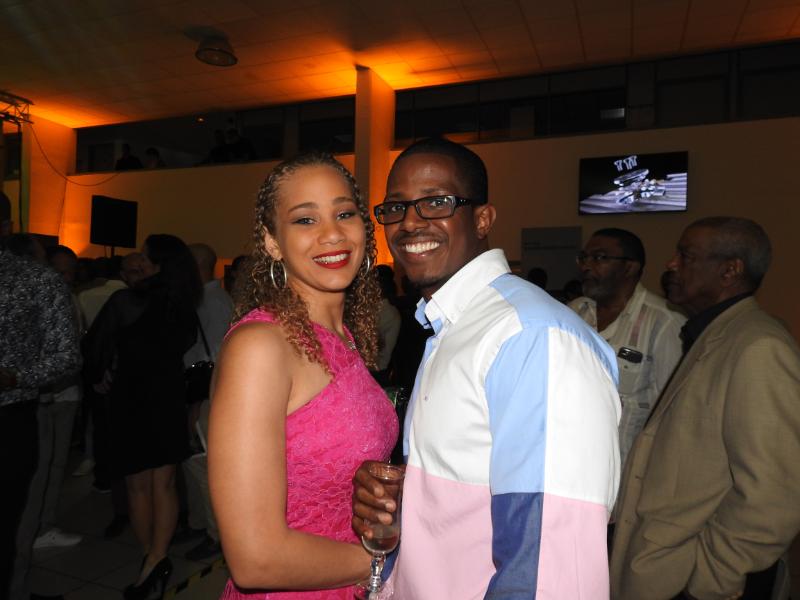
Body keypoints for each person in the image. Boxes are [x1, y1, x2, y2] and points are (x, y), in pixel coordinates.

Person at [352, 137, 621, 598]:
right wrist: (406, 500)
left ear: (482, 219)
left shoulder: (530, 336)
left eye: (436, 202)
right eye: (395, 208)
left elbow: (548, 575)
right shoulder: (455, 327)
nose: (410, 222)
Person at [208, 152, 398, 598]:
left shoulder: (346, 337)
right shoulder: (261, 346)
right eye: (305, 220)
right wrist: (388, 563)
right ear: (273, 242)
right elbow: (255, 559)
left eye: (344, 213)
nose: (332, 233)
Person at [610, 217, 800, 600]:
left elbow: (775, 496)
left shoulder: (759, 347)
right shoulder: (711, 335)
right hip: (657, 566)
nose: (671, 265)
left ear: (730, 271)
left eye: (686, 256)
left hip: (690, 578)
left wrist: (708, 580)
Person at [84, 234, 201, 599]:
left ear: (158, 265)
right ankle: (157, 557)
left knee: (137, 485)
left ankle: (149, 556)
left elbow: (93, 348)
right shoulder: (183, 305)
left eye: (145, 259)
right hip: (167, 396)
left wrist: (102, 373)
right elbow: (184, 345)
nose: (139, 263)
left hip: (131, 396)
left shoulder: (126, 300)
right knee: (163, 483)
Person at [0, 222, 81, 597]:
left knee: (8, 523)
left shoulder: (35, 280)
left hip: (9, 417)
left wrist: (16, 378)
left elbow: (67, 356)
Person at [569, 228, 685, 468]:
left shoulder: (664, 322)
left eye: (599, 258)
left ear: (629, 268)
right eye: (584, 258)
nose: (587, 266)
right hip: (575, 463)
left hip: (628, 469)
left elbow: (674, 411)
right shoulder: (574, 313)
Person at [180, 243, 233, 561]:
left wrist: (199, 400)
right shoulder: (208, 299)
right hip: (201, 393)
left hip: (206, 395)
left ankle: (216, 534)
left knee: (205, 465)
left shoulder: (214, 302)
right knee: (194, 462)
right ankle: (199, 524)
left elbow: (214, 357)